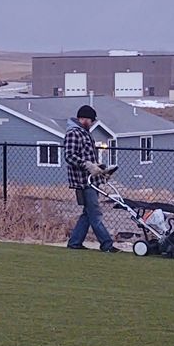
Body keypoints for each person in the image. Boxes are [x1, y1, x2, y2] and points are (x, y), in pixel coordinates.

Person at [64, 104, 115, 251]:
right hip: (83, 181)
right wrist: (87, 165)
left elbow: (87, 156)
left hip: (91, 180)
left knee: (87, 213)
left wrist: (99, 168)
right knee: (95, 213)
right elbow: (69, 156)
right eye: (91, 120)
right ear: (84, 119)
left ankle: (74, 243)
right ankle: (107, 244)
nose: (92, 123)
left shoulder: (85, 133)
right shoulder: (74, 133)